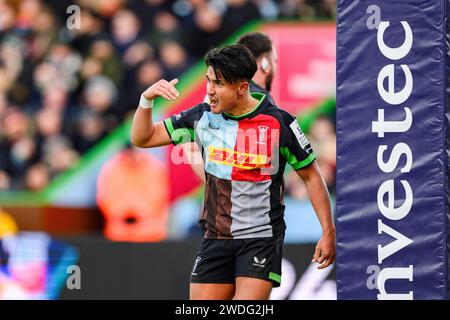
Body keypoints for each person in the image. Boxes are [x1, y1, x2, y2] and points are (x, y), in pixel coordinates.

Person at [130, 44, 335, 300]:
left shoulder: (279, 123)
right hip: (215, 236)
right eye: (208, 81)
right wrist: (146, 100)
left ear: (242, 87)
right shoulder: (201, 118)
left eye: (218, 84)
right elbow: (143, 138)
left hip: (260, 238)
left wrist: (328, 232)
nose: (209, 91)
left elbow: (311, 176)